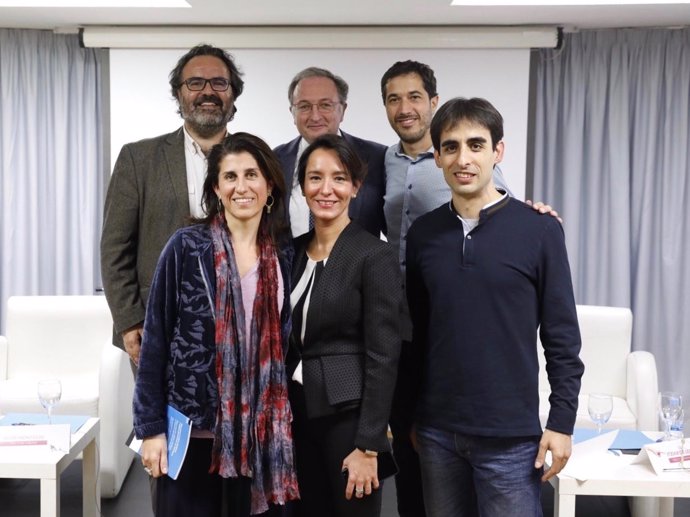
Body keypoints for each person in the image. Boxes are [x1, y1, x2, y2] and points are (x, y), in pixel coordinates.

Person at [380, 60, 560, 517]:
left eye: (476, 145)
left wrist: (561, 422)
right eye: (452, 148)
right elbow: (416, 334)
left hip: (511, 438)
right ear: (436, 156)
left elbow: (561, 338)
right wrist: (414, 417)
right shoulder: (424, 235)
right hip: (438, 434)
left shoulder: (537, 230)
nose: (464, 159)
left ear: (497, 152)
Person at [133, 133, 299, 517]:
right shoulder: (186, 246)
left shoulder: (285, 254)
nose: (242, 186)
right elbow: (155, 339)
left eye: (252, 174)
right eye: (230, 177)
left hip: (260, 436)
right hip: (193, 431)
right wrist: (151, 429)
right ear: (217, 188)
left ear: (269, 184)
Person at [101, 44, 244, 368]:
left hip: (237, 324)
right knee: (164, 419)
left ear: (233, 94)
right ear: (178, 94)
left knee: (233, 419)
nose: (207, 92)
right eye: (195, 83)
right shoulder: (139, 159)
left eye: (219, 83)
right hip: (159, 326)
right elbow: (115, 249)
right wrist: (129, 321)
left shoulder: (253, 160)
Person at [286, 133, 403, 517]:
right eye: (315, 178)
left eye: (339, 178)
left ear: (355, 187)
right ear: (302, 187)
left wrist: (370, 445)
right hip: (295, 414)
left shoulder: (374, 254)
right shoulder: (292, 253)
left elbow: (384, 354)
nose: (326, 189)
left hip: (349, 419)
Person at [273, 67, 386, 238]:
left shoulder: (377, 157)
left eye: (325, 105)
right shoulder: (275, 160)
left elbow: (394, 226)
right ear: (292, 113)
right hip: (294, 264)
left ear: (343, 110)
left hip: (360, 263)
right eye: (304, 106)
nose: (315, 116)